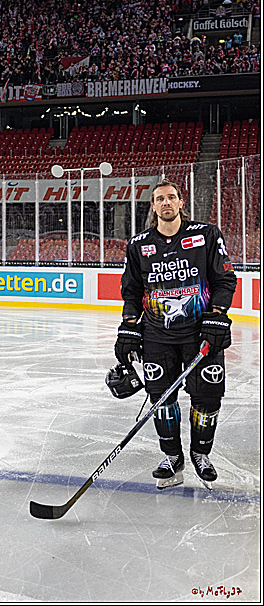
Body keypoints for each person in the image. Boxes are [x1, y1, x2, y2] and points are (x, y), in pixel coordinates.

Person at [117, 180, 236, 489]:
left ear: (182, 202)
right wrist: (129, 326)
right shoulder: (138, 244)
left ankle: (200, 453)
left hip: (200, 334)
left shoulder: (206, 235)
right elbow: (131, 290)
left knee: (207, 398)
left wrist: (217, 315)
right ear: (154, 207)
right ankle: (173, 456)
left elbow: (225, 279)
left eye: (171, 197)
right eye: (160, 199)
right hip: (157, 336)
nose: (166, 202)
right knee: (161, 400)